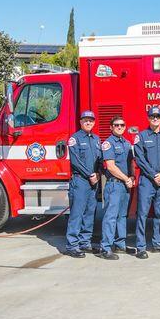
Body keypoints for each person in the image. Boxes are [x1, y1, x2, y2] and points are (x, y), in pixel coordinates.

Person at [133, 107, 160, 259]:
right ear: (148, 118)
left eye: (158, 116)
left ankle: (157, 244)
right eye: (152, 116)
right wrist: (154, 174)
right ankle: (141, 246)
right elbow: (140, 159)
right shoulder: (141, 137)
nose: (155, 118)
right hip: (147, 182)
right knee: (142, 214)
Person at [65, 110, 101, 258]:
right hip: (80, 181)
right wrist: (90, 174)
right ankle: (72, 245)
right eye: (85, 120)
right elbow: (75, 161)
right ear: (80, 122)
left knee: (89, 213)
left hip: (93, 181)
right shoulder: (75, 139)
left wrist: (98, 173)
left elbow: (99, 159)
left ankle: (85, 242)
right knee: (77, 213)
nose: (88, 122)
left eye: (91, 120)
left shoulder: (96, 139)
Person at [99, 116, 134, 260]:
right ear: (111, 127)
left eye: (122, 125)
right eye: (116, 125)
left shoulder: (126, 143)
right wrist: (126, 179)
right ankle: (105, 247)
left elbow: (131, 163)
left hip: (125, 185)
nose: (119, 127)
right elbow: (111, 167)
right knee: (111, 216)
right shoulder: (108, 143)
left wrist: (132, 176)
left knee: (122, 216)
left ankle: (120, 244)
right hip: (114, 184)